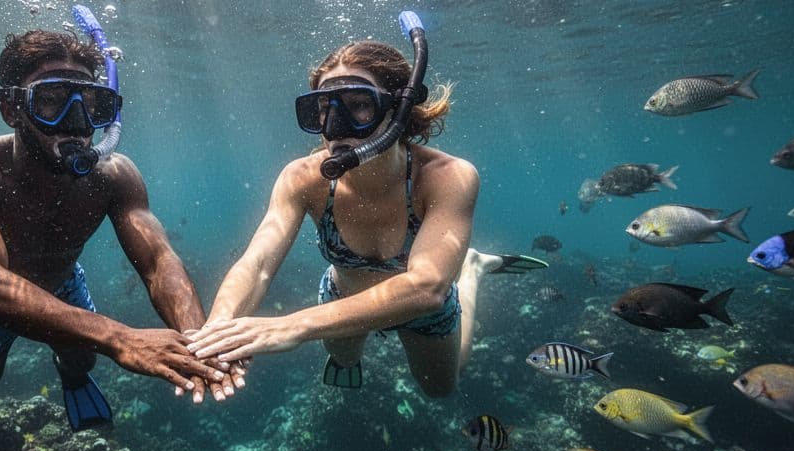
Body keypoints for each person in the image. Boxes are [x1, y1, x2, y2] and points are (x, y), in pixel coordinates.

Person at [187, 31, 544, 397]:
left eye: (358, 105)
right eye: (323, 108)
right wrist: (217, 331)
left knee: (440, 388)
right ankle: (345, 353)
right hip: (343, 297)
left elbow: (427, 288)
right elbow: (258, 262)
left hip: (421, 306)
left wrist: (290, 327)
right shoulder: (302, 178)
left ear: (399, 110)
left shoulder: (447, 177)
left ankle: (469, 270)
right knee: (343, 359)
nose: (334, 126)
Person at [0, 27, 235, 431]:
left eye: (90, 102)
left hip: (61, 279)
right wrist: (121, 338)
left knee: (81, 359)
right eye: (51, 101)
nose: (76, 122)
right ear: (11, 109)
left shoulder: (114, 176)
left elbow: (159, 261)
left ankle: (72, 377)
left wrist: (198, 341)